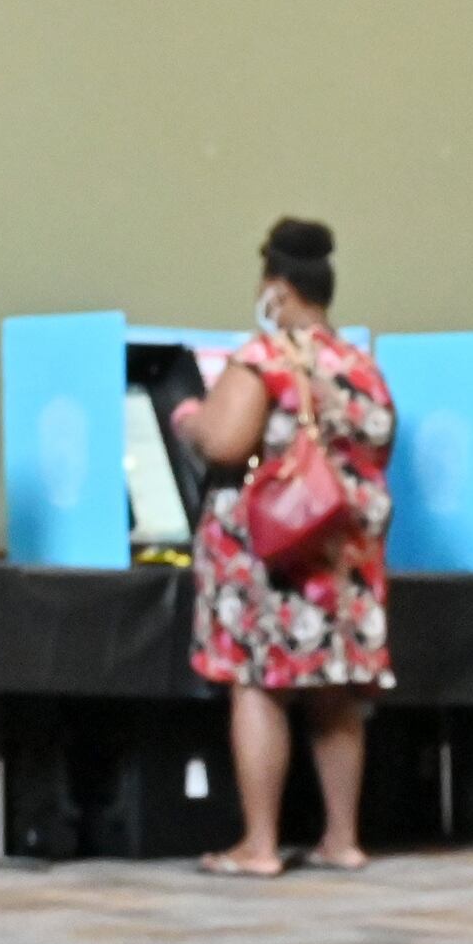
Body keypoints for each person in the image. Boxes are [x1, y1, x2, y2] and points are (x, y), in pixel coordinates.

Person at [183, 218, 395, 877]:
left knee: (259, 685)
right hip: (344, 553)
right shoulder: (362, 366)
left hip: (273, 554)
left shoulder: (264, 359)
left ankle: (260, 844)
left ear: (276, 287)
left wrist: (190, 419)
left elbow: (224, 442)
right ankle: (341, 839)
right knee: (336, 691)